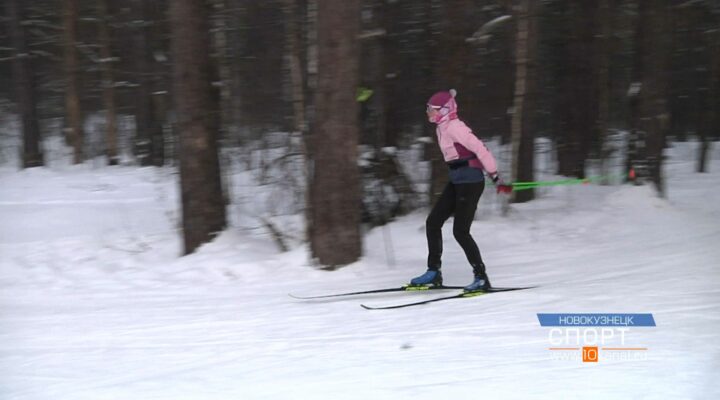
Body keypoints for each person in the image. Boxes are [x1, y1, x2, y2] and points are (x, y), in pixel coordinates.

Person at [410, 89, 512, 292]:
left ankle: (481, 277)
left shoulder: (456, 127)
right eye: (428, 109)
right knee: (433, 222)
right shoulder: (441, 127)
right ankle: (433, 272)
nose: (429, 113)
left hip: (471, 181)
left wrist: (495, 175)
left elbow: (481, 149)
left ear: (445, 109)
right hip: (457, 181)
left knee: (460, 231)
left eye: (432, 110)